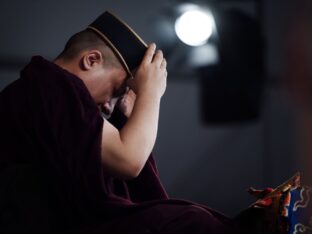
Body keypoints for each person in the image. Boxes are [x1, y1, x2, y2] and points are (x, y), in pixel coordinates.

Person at [0, 11, 236, 233]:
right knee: (193, 221)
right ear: (91, 60)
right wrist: (150, 94)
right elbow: (128, 161)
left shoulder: (41, 92)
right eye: (116, 90)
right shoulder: (51, 85)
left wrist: (129, 118)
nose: (107, 107)